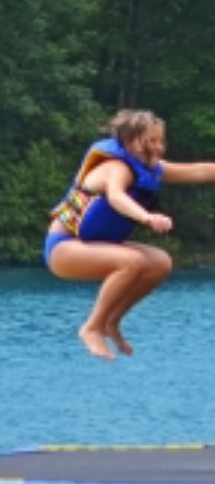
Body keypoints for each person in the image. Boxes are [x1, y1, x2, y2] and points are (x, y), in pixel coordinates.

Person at [45, 109, 215, 359]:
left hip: (95, 246)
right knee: (132, 261)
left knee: (160, 263)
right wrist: (147, 217)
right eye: (151, 141)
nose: (158, 148)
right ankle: (91, 327)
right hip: (64, 247)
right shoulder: (115, 167)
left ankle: (111, 321)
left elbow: (201, 171)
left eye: (161, 141)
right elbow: (116, 197)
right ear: (130, 141)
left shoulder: (152, 168)